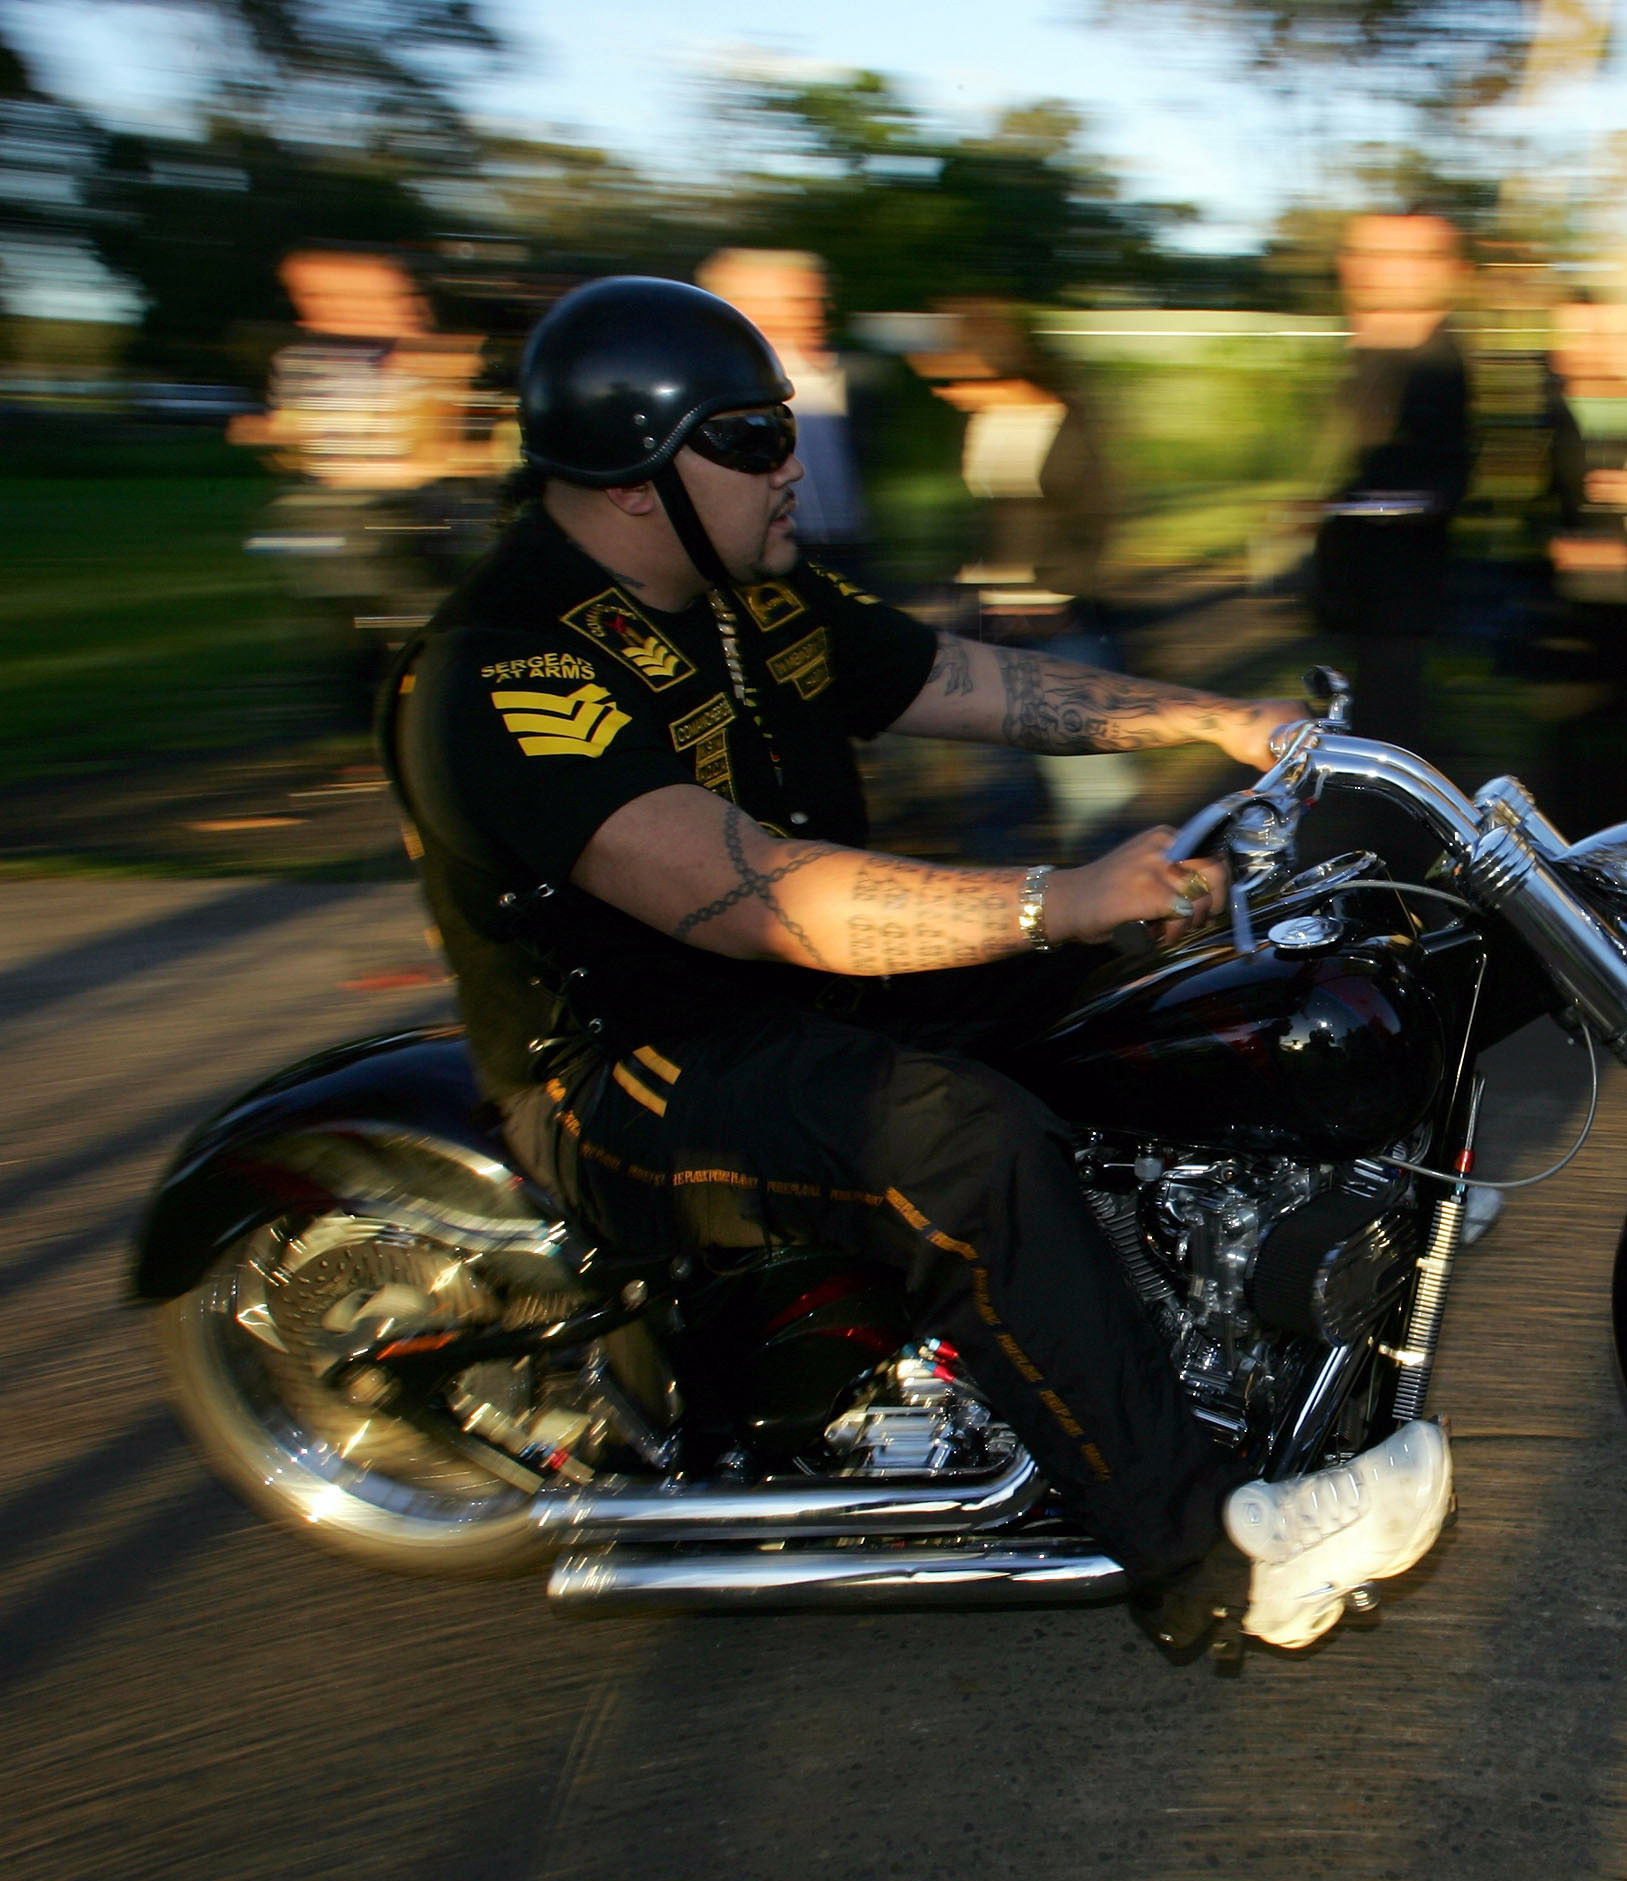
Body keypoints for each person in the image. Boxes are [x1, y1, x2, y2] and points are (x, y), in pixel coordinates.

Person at [386, 277, 1454, 1658]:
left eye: (785, 425)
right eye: (753, 438)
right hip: (636, 1067)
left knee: (1156, 994)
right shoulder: (506, 669)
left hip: (799, 996)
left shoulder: (749, 598)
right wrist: (1057, 896)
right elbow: (759, 899)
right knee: (958, 1141)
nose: (793, 462)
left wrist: (1222, 721)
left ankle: (1209, 1301)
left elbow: (966, 680)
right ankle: (1216, 1555)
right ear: (635, 478)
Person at [231, 245, 504, 713]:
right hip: (336, 506)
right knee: (347, 613)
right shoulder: (304, 361)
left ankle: (424, 701)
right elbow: (296, 435)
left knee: (411, 612)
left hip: (403, 507)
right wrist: (276, 432)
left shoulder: (427, 358)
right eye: (314, 297)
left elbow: (439, 442)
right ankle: (372, 699)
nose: (323, 309)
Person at [912, 300, 1141, 859]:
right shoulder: (976, 424)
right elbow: (975, 520)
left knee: (1088, 769)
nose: (945, 392)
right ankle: (1007, 891)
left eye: (955, 377)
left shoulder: (1068, 423)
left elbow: (1097, 521)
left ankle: (1107, 885)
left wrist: (1056, 590)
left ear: (992, 365)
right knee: (997, 772)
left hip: (1061, 622)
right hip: (985, 621)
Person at [1311, 211, 1475, 753]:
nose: (1372, 269)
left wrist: (1366, 505)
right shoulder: (1355, 352)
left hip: (1399, 596)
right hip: (1346, 590)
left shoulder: (1436, 364)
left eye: (1406, 256)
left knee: (1385, 735)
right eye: (1367, 254)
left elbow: (1444, 478)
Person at [1516, 295, 1627, 835]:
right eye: (1582, 335)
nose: (1597, 348)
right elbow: (1535, 510)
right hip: (1563, 610)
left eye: (1610, 335)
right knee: (1566, 753)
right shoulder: (1545, 416)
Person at [694, 249, 875, 579]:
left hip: (849, 554)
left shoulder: (850, 375)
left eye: (818, 300)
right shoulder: (714, 389)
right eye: (798, 301)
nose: (818, 312)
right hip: (764, 559)